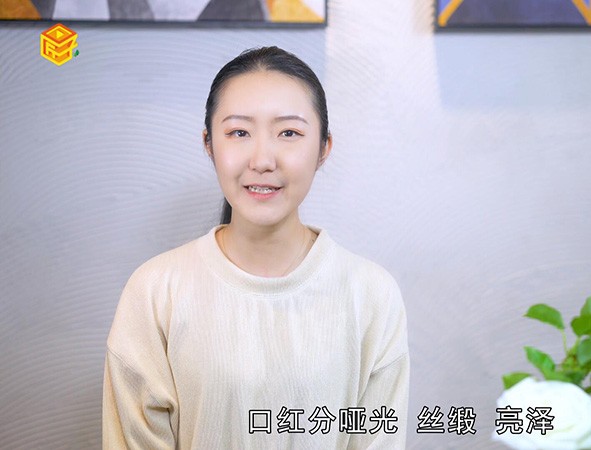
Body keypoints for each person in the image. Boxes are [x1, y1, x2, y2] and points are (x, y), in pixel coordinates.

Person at [102, 46, 410, 449]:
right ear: (209, 144)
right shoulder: (156, 291)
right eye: (239, 133)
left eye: (289, 133)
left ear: (324, 148)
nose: (262, 160)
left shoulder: (371, 294)